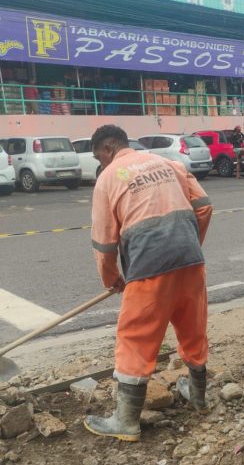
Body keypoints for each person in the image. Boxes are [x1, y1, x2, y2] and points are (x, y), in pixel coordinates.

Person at [84, 125, 213, 441]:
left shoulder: (108, 178)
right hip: (190, 259)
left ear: (108, 148)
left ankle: (126, 421)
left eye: (98, 157)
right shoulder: (169, 164)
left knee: (136, 336)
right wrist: (187, 245)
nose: (99, 163)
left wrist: (112, 279)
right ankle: (199, 397)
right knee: (192, 328)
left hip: (149, 266)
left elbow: (104, 243)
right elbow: (204, 206)